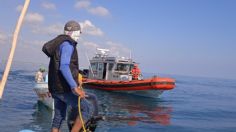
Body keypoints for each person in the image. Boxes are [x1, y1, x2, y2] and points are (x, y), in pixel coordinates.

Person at [42, 20, 86, 132]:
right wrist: (74, 87)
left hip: (55, 88)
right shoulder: (68, 45)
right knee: (86, 109)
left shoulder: (59, 43)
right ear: (75, 33)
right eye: (79, 33)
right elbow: (64, 66)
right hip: (64, 89)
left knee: (59, 116)